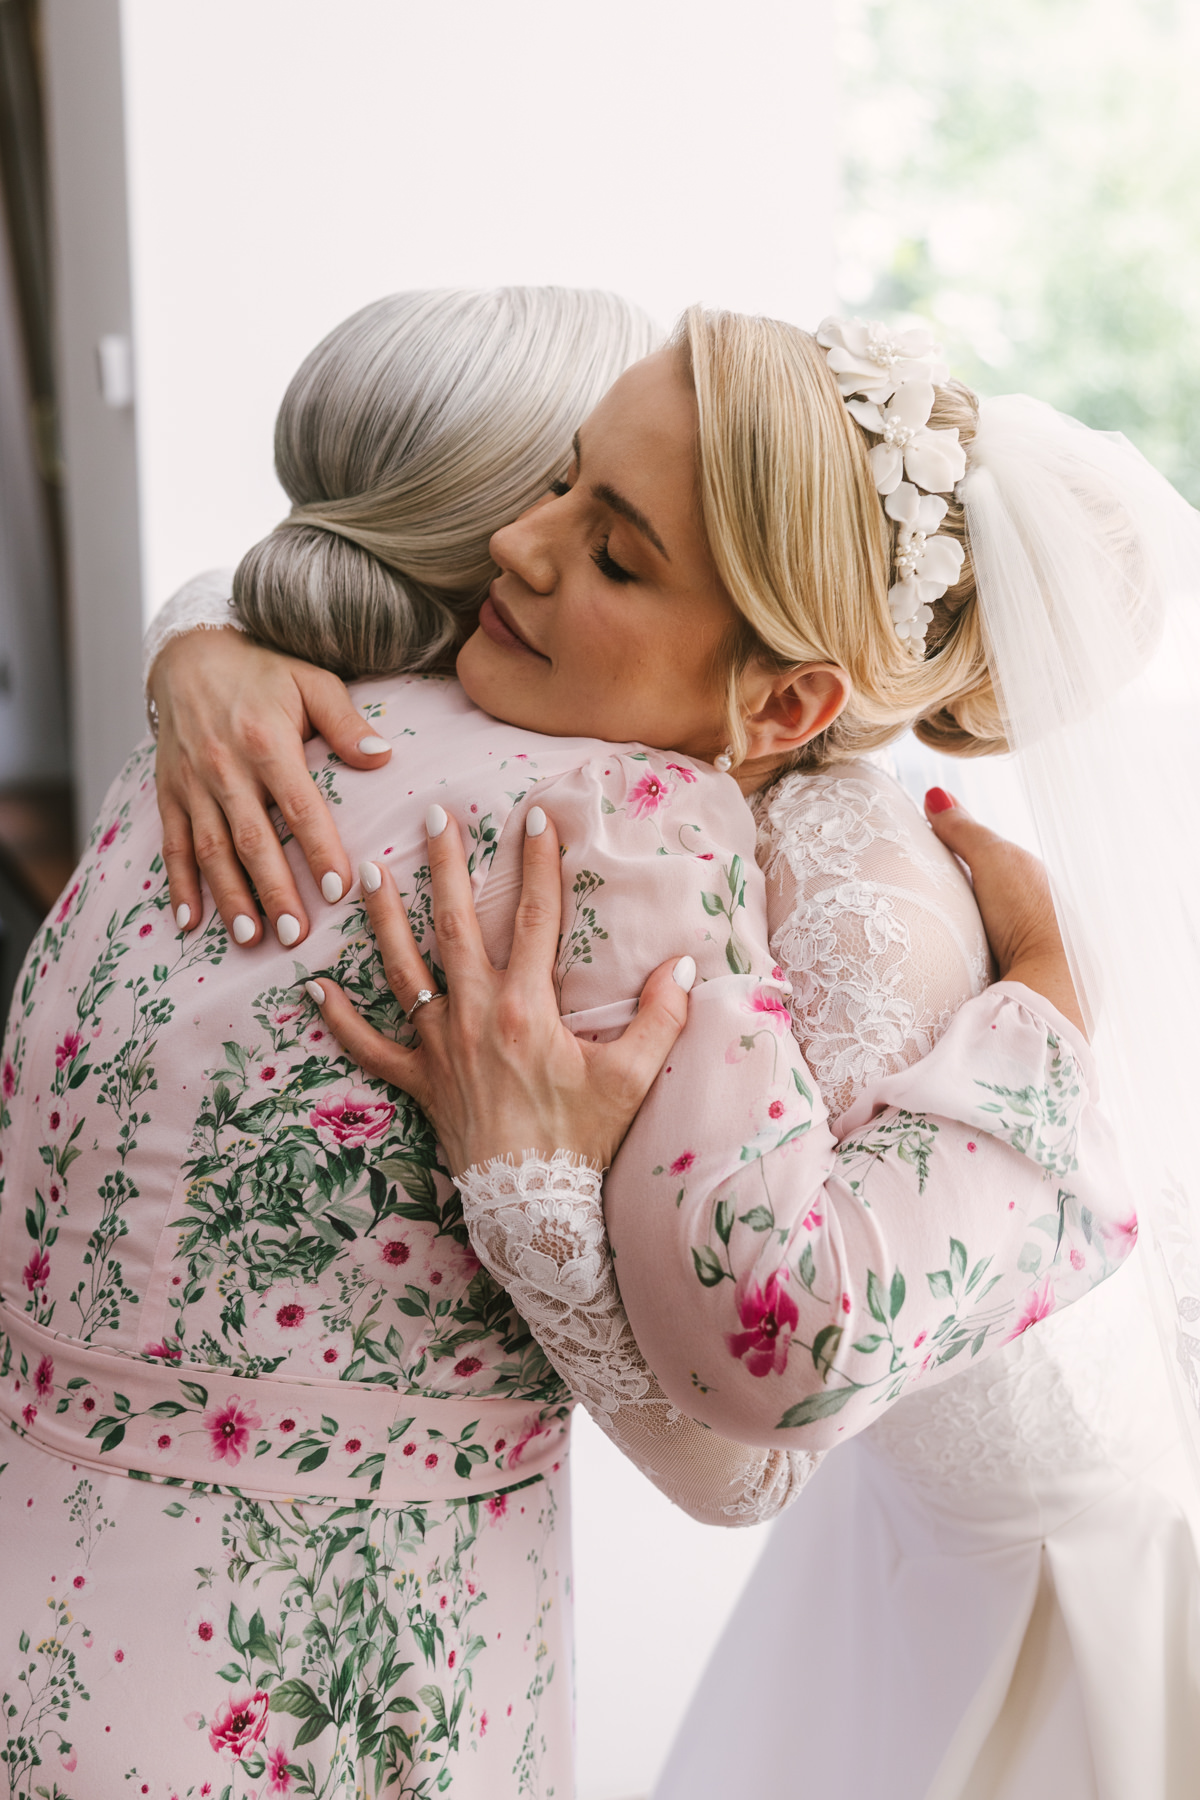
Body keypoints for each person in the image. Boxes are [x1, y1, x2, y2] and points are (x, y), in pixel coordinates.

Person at [139, 303, 1194, 1795]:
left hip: (1075, 1567)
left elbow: (775, 1391)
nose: (514, 542)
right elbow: (351, 555)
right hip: (897, 1548)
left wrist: (525, 1177)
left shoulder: (856, 898)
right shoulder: (634, 703)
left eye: (615, 552)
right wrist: (201, 644)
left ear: (789, 703)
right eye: (559, 477)